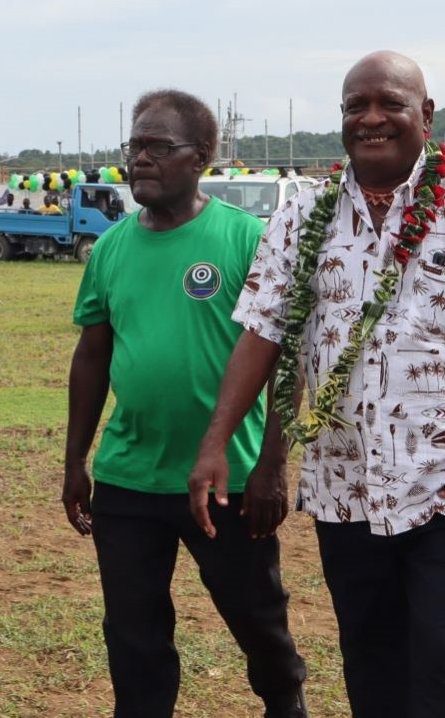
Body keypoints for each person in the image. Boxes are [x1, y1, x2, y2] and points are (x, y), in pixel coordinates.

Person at [190, 51, 445, 718]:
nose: (370, 118)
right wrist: (220, 442)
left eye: (389, 103)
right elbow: (264, 334)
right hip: (345, 485)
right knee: (369, 657)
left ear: (425, 115)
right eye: (353, 106)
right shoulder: (303, 214)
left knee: (444, 657)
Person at [63, 91, 308, 718]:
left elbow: (287, 356)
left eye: (158, 147)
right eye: (133, 147)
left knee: (257, 618)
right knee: (133, 637)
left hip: (227, 479)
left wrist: (273, 465)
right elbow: (92, 357)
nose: (140, 159)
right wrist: (75, 463)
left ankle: (285, 701)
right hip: (129, 478)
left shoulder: (245, 238)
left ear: (200, 157)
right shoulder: (112, 247)